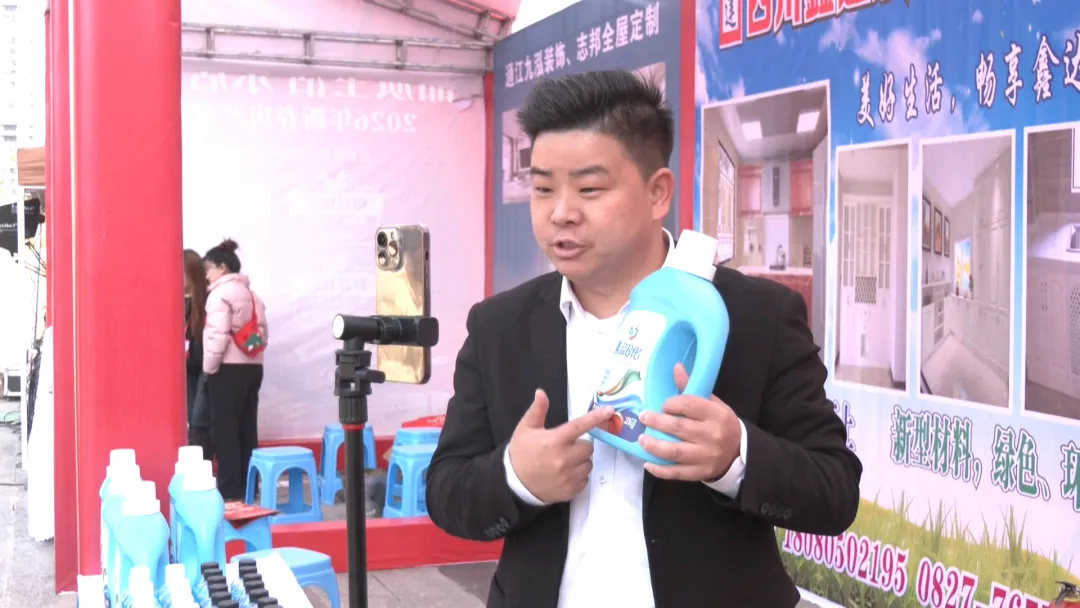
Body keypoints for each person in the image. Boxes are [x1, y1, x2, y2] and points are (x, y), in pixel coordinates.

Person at [425, 70, 862, 608]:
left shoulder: (755, 316)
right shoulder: (499, 326)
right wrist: (516, 475)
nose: (561, 213)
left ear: (657, 193)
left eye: (589, 189)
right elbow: (446, 489)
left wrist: (735, 456)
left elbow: (835, 490)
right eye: (543, 189)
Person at [202, 238, 268, 500]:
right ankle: (250, 486)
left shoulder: (219, 295)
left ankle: (230, 490)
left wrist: (209, 368)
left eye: (208, 269)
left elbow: (217, 335)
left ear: (222, 267)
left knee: (225, 431)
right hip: (253, 368)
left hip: (227, 369)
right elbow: (262, 334)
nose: (206, 275)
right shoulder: (253, 295)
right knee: (247, 427)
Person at [183, 248, 212, 460]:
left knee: (199, 419)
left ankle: (203, 464)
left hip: (206, 366)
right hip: (188, 367)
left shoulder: (209, 299)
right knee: (191, 418)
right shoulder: (180, 299)